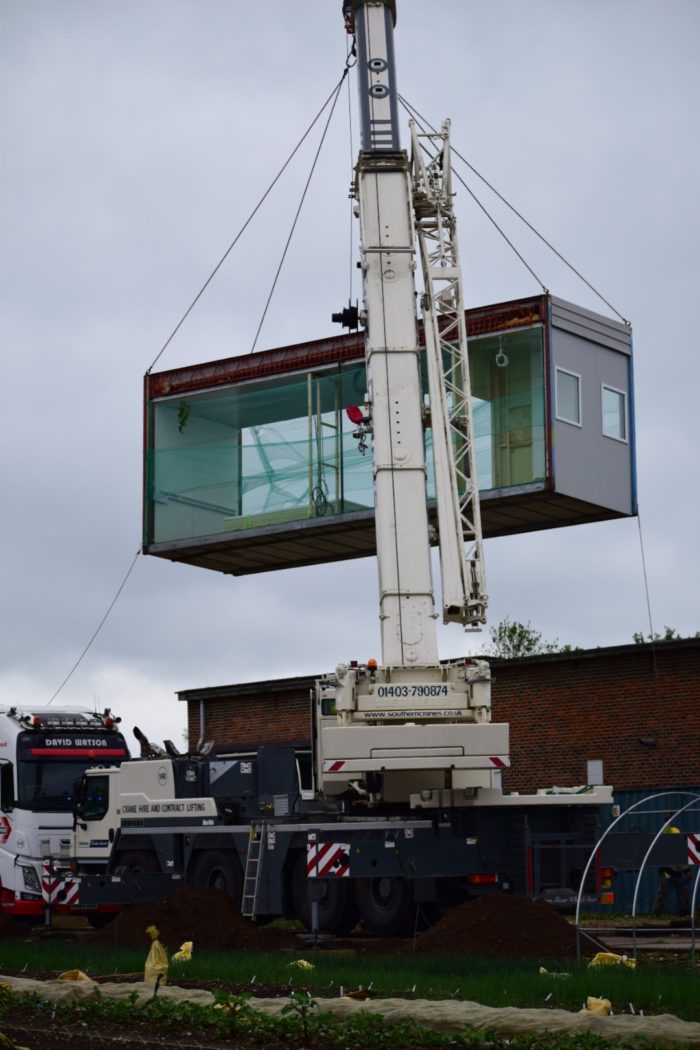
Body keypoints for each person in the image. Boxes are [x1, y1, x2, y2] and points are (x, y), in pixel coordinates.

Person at [653, 824, 690, 916]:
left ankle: (684, 911)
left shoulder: (680, 847)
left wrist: (687, 871)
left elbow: (682, 862)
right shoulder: (665, 846)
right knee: (663, 890)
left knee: (683, 892)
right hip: (667, 873)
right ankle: (657, 912)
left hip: (677, 873)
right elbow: (664, 831)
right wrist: (667, 820)